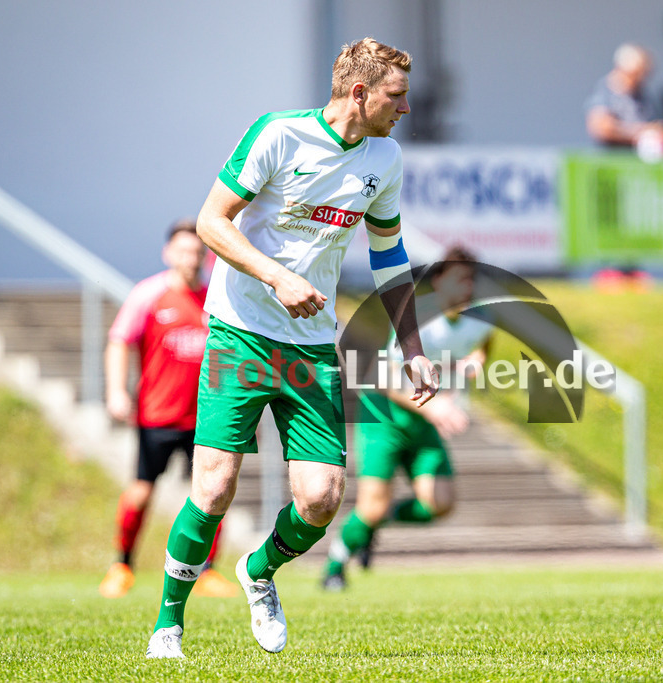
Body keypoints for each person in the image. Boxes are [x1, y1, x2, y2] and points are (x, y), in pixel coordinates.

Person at [145, 37, 438, 659]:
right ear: (359, 92)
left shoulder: (384, 157)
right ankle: (167, 626)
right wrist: (276, 276)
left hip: (310, 346)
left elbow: (389, 255)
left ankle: (258, 570)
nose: (405, 108)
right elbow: (211, 221)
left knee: (322, 498)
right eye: (396, 96)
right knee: (213, 487)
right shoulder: (278, 134)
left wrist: (411, 344)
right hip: (239, 332)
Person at [322, 246, 493, 590]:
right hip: (384, 418)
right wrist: (437, 407)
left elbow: (482, 345)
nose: (468, 286)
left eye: (471, 279)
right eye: (459, 278)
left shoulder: (479, 320)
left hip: (421, 420)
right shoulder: (419, 317)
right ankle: (334, 567)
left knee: (440, 504)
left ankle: (373, 524)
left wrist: (475, 362)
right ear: (438, 281)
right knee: (370, 507)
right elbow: (382, 376)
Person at [98, 220, 237, 600]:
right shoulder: (149, 295)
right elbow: (119, 340)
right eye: (184, 250)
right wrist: (116, 391)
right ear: (168, 253)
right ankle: (122, 565)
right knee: (142, 492)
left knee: (214, 491)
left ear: (206, 256)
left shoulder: (218, 298)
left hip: (206, 418)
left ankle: (208, 571)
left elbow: (229, 353)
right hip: (158, 415)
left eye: (197, 251)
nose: (191, 258)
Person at [585, 43, 663, 160]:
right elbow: (601, 129)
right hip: (612, 161)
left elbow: (659, 125)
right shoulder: (605, 93)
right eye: (636, 74)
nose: (640, 78)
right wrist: (641, 132)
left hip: (641, 161)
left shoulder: (642, 95)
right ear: (622, 69)